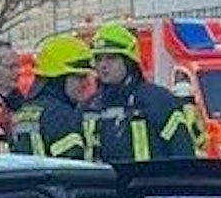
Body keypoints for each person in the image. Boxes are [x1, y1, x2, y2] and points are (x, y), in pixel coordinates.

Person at [83, 23, 195, 163]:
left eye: (111, 58)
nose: (103, 65)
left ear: (129, 62)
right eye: (98, 59)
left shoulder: (158, 100)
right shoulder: (90, 107)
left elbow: (183, 153)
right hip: (107, 184)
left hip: (150, 183)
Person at [12, 35, 96, 161]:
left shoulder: (23, 111)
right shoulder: (60, 115)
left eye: (86, 76)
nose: (86, 83)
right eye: (78, 77)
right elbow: (73, 168)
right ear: (58, 80)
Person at [170, 74, 211, 156]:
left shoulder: (170, 111)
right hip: (193, 154)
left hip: (175, 154)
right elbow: (204, 136)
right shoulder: (196, 112)